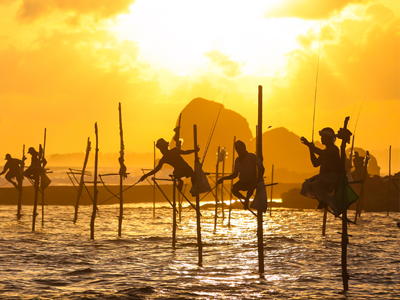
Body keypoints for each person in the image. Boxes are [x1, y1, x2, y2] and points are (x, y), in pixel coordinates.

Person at [300, 127, 341, 216]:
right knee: (307, 184)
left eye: (324, 137)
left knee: (316, 185)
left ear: (330, 139)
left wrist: (310, 146)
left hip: (331, 178)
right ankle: (324, 200)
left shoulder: (333, 149)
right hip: (323, 177)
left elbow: (321, 153)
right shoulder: (325, 151)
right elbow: (315, 163)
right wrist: (310, 149)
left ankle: (325, 200)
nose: (322, 139)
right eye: (322, 137)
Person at [216, 140, 264, 209]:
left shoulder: (252, 157)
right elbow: (235, 175)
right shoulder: (237, 160)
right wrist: (222, 179)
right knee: (234, 190)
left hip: (252, 180)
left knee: (251, 186)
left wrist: (259, 180)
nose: (238, 151)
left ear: (244, 148)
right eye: (237, 149)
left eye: (240, 149)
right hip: (242, 181)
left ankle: (247, 200)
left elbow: (261, 167)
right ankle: (245, 199)